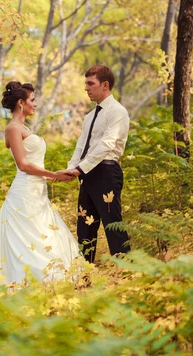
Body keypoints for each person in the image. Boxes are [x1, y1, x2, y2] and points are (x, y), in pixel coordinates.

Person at [0, 81, 81, 285]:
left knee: (46, 236)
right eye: (32, 100)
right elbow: (22, 164)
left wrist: (55, 176)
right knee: (31, 241)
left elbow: (22, 155)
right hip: (24, 193)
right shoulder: (13, 128)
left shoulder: (20, 127)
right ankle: (33, 284)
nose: (35, 104)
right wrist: (53, 174)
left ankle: (54, 285)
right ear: (21, 103)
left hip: (37, 191)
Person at [58, 65, 130, 263]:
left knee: (112, 224)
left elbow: (107, 144)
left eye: (91, 84)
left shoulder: (118, 112)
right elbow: (81, 146)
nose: (86, 88)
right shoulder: (90, 116)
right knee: (85, 226)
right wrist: (72, 168)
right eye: (85, 84)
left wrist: (80, 168)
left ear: (105, 85)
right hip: (87, 174)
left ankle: (126, 270)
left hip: (107, 172)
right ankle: (85, 272)